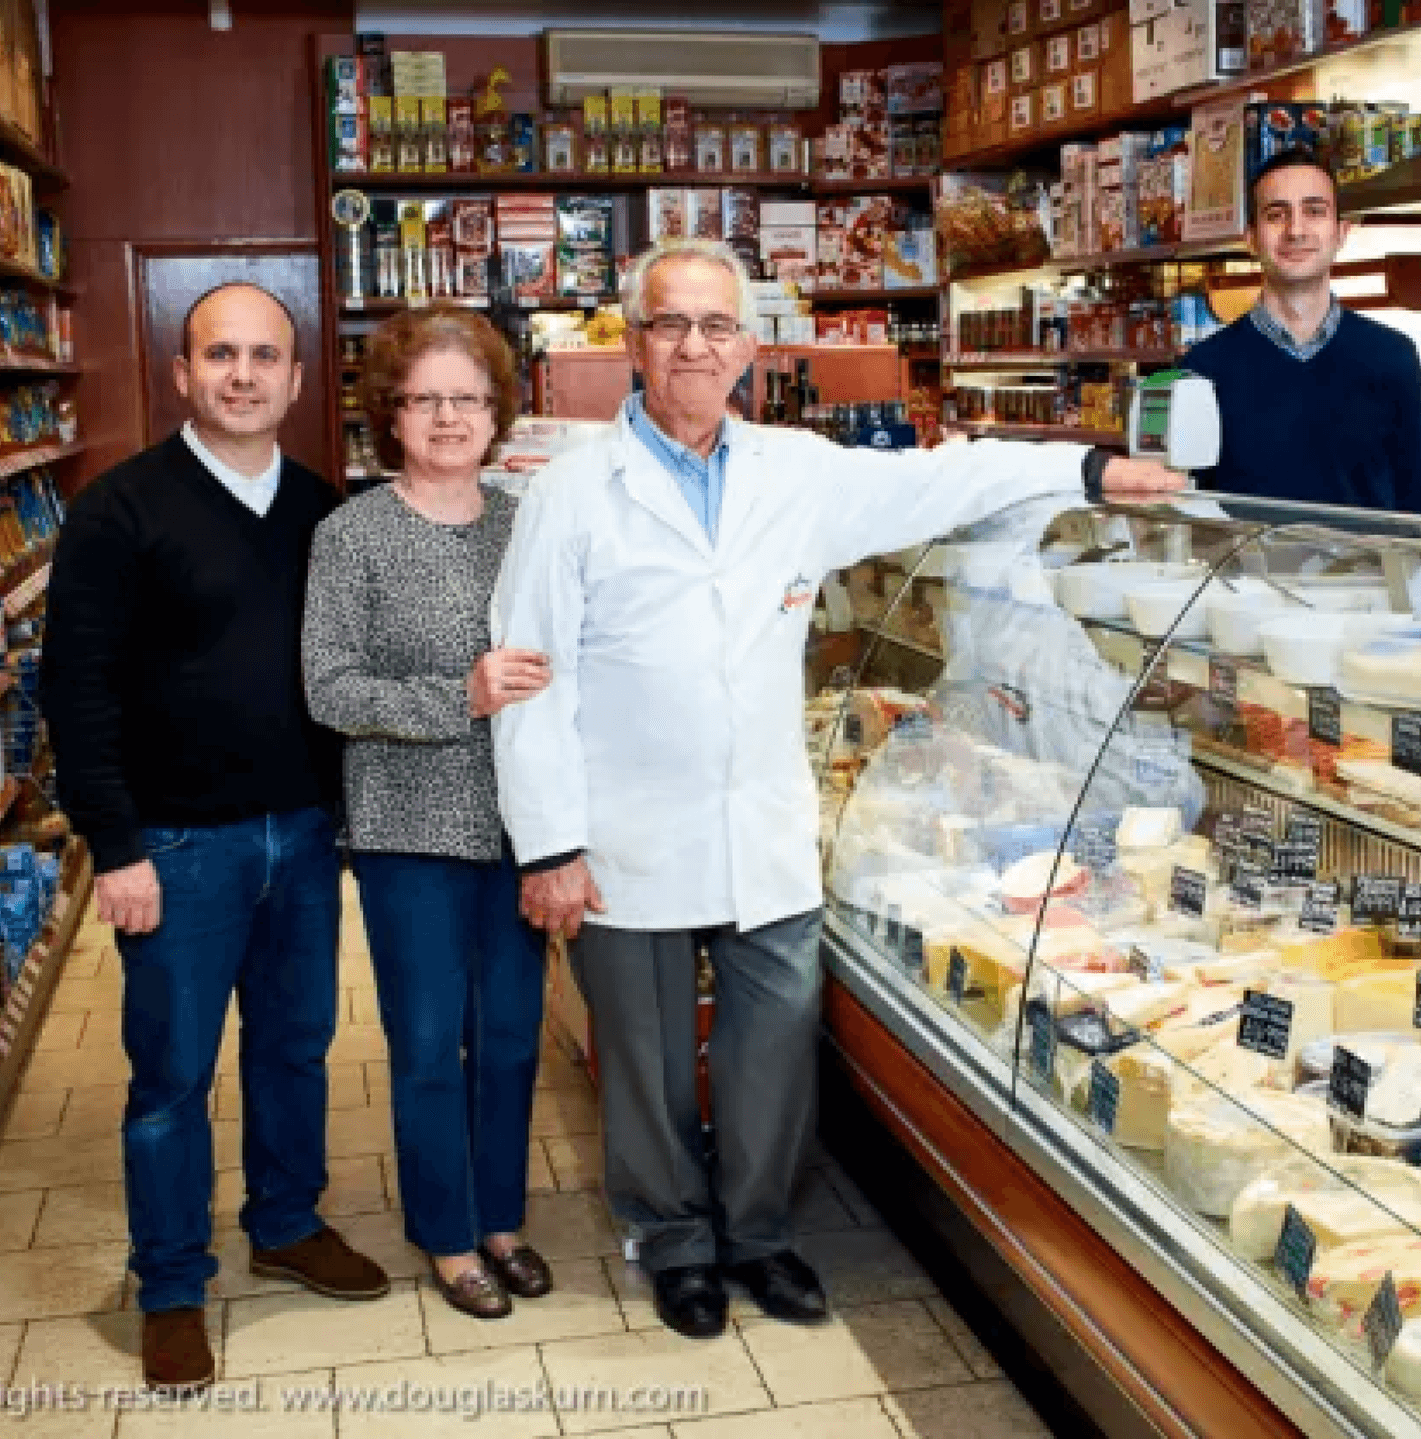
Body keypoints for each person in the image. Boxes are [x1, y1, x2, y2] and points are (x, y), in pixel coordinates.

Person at [492, 238, 1194, 1340]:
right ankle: (673, 1239)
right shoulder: (576, 491)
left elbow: (942, 476)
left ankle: (760, 1231)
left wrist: (1087, 471)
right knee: (649, 1055)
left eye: (716, 325)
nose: (693, 346)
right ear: (634, 343)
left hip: (765, 822)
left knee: (775, 1042)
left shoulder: (795, 469)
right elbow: (527, 675)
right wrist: (548, 846)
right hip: (623, 827)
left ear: (750, 347)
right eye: (670, 324)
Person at [41, 283, 388, 1392]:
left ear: (295, 377)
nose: (243, 373)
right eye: (220, 354)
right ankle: (173, 1283)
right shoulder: (120, 510)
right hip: (180, 848)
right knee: (171, 1076)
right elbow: (76, 689)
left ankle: (285, 1221)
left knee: (295, 1045)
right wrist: (117, 842)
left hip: (302, 832)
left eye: (265, 355)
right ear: (182, 372)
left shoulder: (323, 511)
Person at [302, 306, 555, 1320]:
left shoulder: (528, 522)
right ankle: (448, 1233)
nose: (449, 416)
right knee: (424, 1040)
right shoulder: (351, 533)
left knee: (509, 1036)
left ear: (498, 413)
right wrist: (464, 694)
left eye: (469, 397)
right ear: (390, 414)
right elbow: (329, 687)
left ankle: (502, 1217)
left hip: (520, 827)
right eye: (427, 399)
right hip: (408, 831)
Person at [1183, 146, 1421, 515]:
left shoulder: (1393, 357)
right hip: (1242, 574)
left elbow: (1420, 507)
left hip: (1366, 574)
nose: (1296, 230)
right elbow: (1189, 512)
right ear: (1251, 238)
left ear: (1341, 232)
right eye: (1276, 215)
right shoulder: (1203, 368)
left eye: (1314, 211)